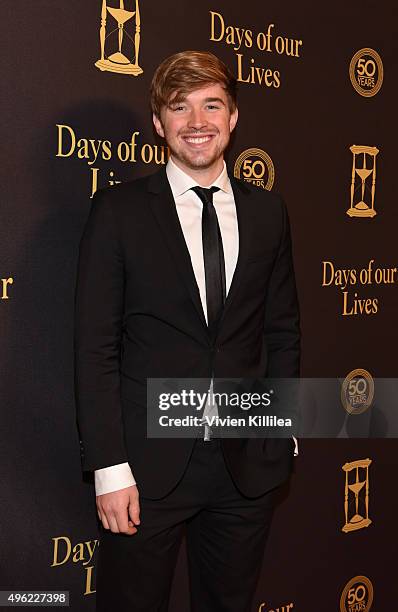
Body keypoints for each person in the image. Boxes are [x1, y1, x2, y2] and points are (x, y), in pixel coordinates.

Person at [74, 50, 300, 612]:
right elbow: (94, 347)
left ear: (233, 117)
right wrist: (108, 466)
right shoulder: (118, 212)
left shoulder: (269, 212)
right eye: (180, 107)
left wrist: (283, 426)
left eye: (211, 105)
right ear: (159, 123)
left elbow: (282, 329)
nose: (197, 122)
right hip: (146, 471)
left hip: (244, 466)